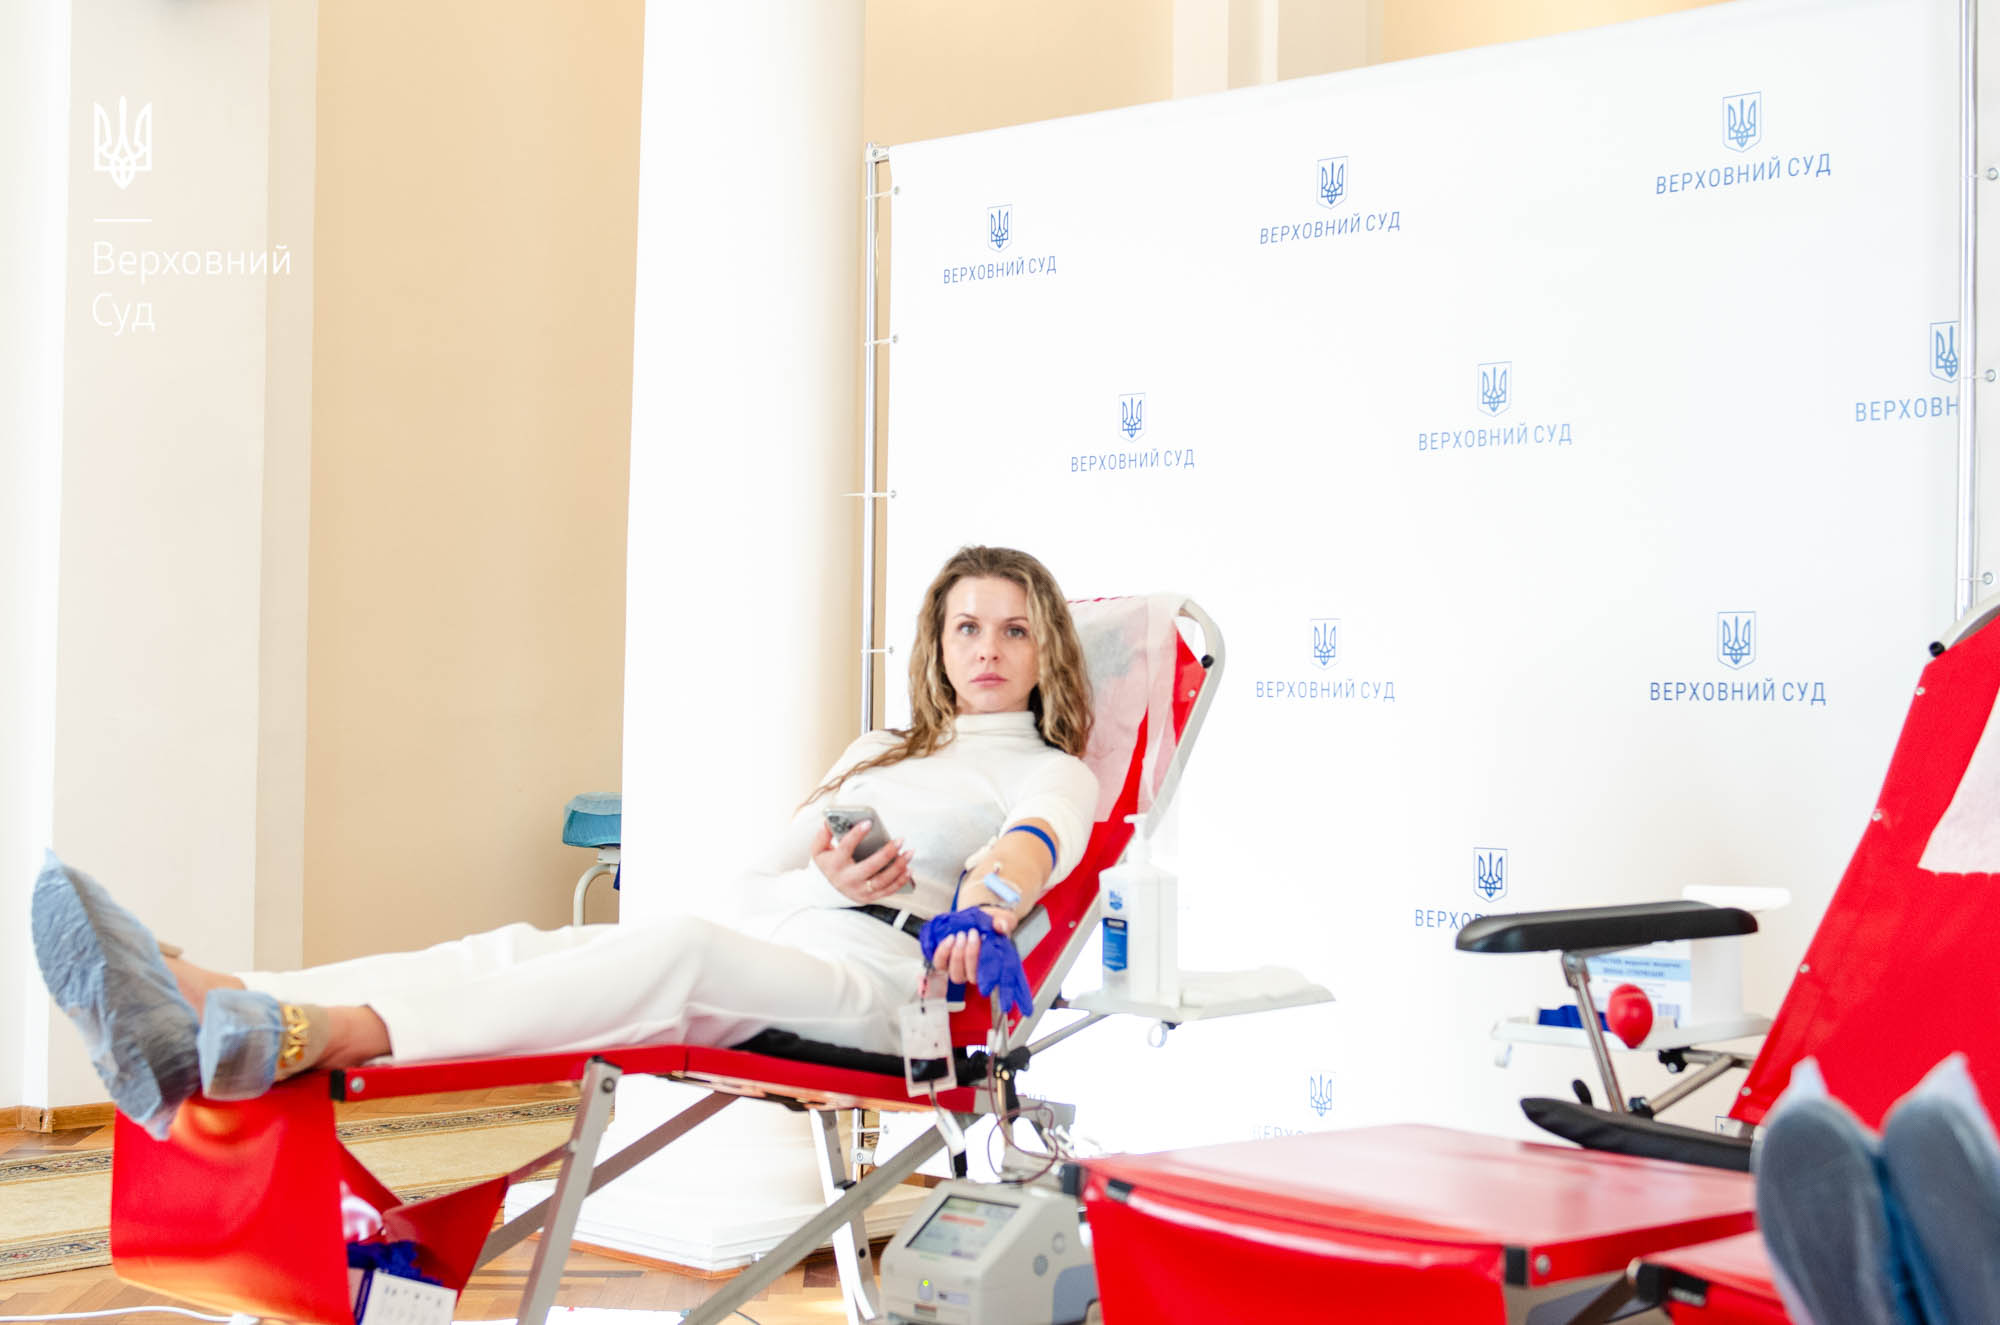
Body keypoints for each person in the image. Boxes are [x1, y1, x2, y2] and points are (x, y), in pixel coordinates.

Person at [33, 545, 1099, 1139]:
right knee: (523, 946)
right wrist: (823, 873)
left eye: (1014, 628)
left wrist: (984, 907)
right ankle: (228, 1000)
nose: (988, 648)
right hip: (780, 939)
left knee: (675, 948)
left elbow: (1026, 852)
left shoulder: (1047, 768)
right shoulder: (877, 751)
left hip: (881, 991)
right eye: (967, 626)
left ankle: (329, 1032)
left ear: (1044, 646)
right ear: (937, 643)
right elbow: (751, 879)